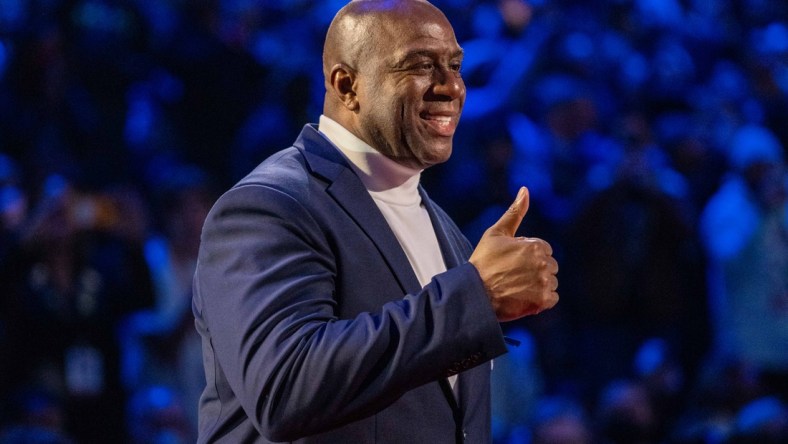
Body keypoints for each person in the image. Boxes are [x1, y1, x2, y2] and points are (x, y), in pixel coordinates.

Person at [192, 1, 559, 442]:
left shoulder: (448, 234)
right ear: (347, 85)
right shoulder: (268, 206)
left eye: (455, 65)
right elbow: (284, 386)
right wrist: (475, 296)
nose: (452, 86)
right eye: (421, 65)